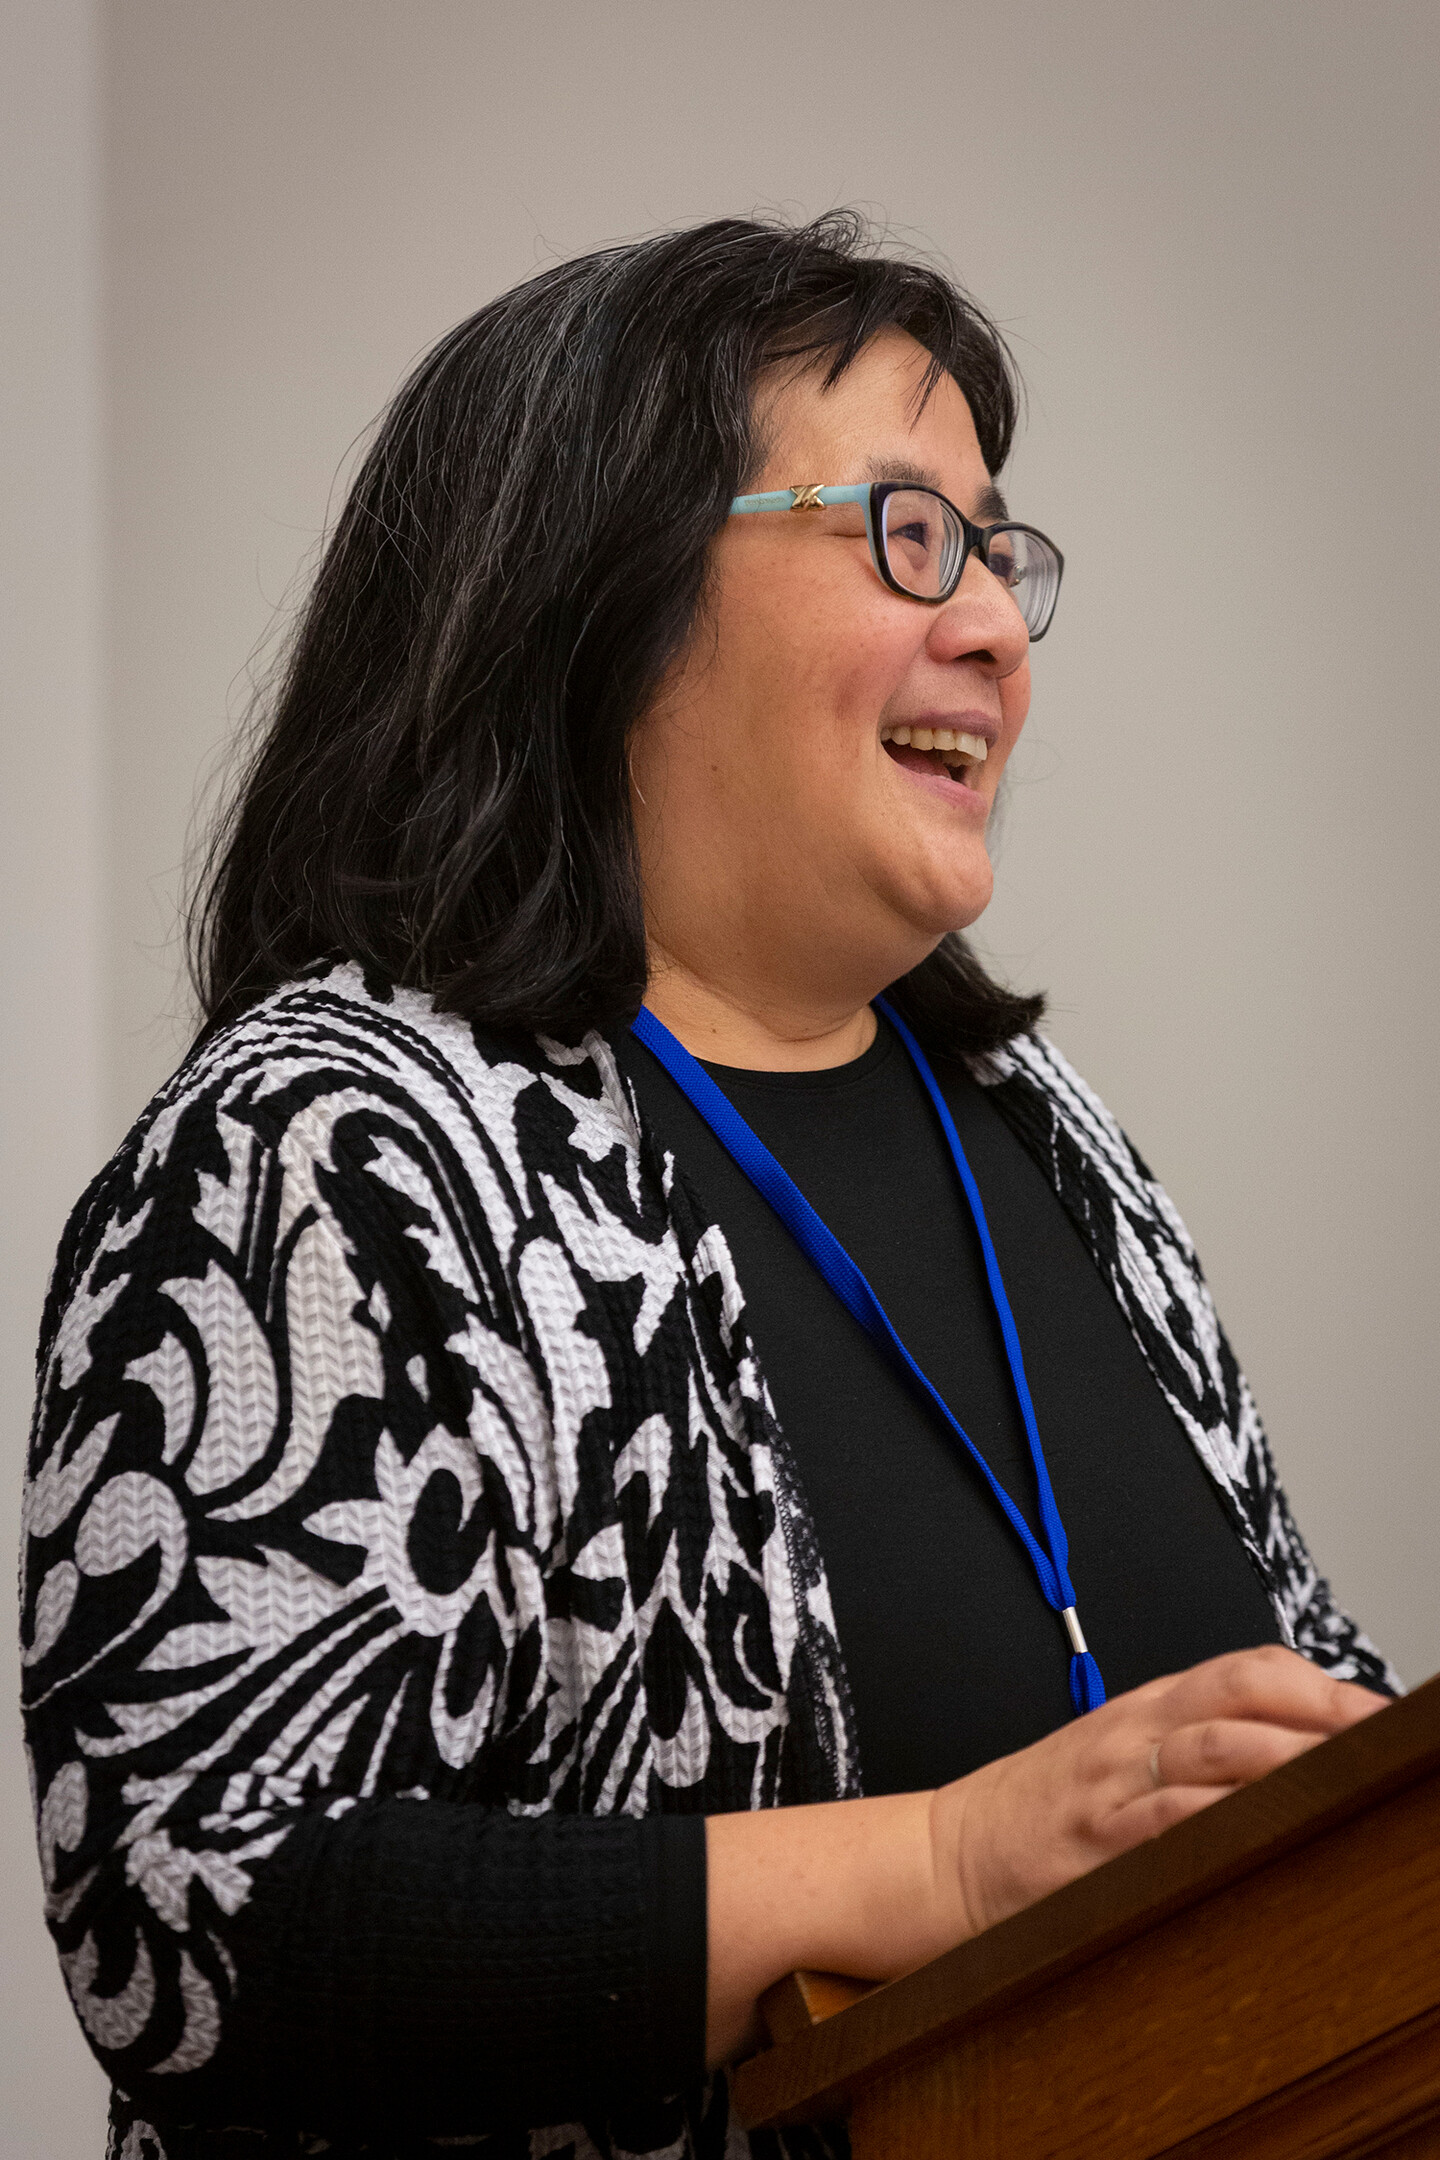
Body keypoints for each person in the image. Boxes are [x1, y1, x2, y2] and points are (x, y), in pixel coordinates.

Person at [22, 213, 1395, 2160]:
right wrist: (942, 1857)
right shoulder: (324, 1151)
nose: (997, 623)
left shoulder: (1048, 1134)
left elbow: (1300, 1763)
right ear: (607, 589)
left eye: (1000, 552)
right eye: (910, 535)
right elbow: (213, 1917)